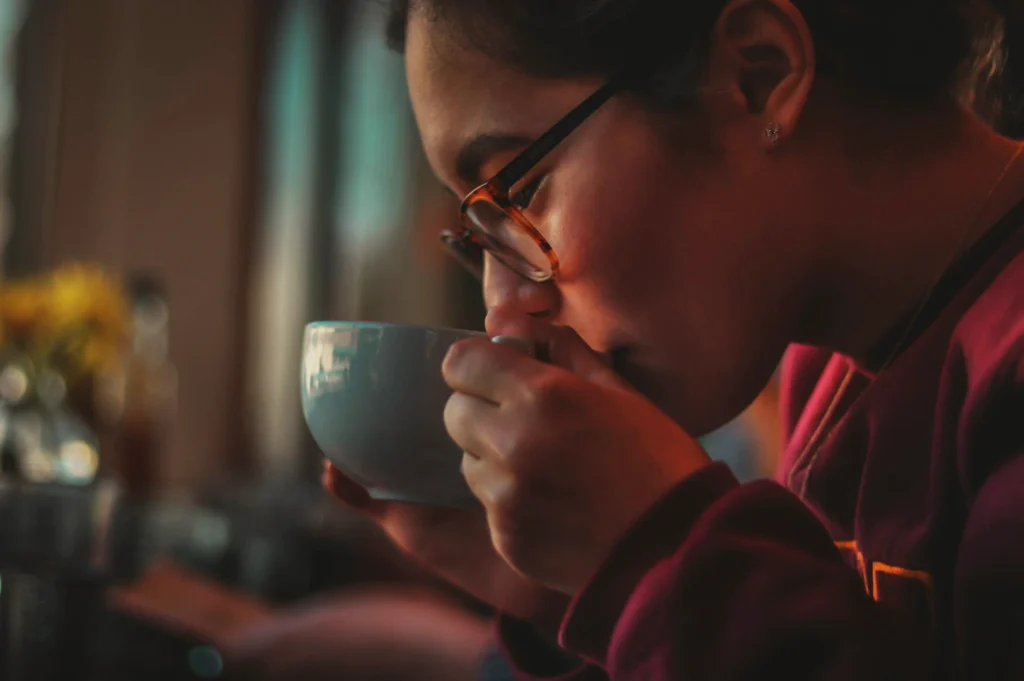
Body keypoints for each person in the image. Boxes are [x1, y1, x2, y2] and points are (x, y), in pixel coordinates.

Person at [322, 0, 1024, 678]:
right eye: (480, 239)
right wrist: (577, 599)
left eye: (522, 192)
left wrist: (654, 560)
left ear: (758, 75)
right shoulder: (828, 367)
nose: (504, 311)